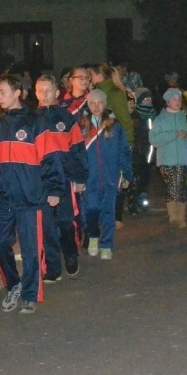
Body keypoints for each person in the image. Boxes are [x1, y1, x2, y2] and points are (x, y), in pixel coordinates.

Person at [0, 74, 64, 315]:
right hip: (1, 197)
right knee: (0, 243)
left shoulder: (35, 121)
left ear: (17, 92)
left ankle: (30, 294)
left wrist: (54, 188)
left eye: (3, 92)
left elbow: (50, 157)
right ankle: (14, 285)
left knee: (31, 249)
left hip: (30, 196)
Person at [34, 75, 88, 282]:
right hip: (42, 181)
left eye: (48, 90)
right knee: (47, 226)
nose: (44, 95)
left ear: (57, 93)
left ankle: (71, 254)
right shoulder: (31, 119)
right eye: (40, 90)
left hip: (65, 179)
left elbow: (77, 149)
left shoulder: (66, 118)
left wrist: (80, 177)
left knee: (66, 222)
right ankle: (53, 268)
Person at [80, 89, 133, 260]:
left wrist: (126, 174)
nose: (96, 106)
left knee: (109, 212)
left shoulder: (114, 126)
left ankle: (107, 244)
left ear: (105, 104)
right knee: (91, 210)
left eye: (100, 103)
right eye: (92, 103)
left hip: (111, 176)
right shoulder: (81, 126)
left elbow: (124, 151)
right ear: (88, 105)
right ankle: (93, 236)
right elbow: (76, 154)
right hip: (90, 178)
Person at [149, 88, 187, 228]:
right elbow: (154, 139)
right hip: (166, 160)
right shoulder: (160, 119)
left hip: (184, 160)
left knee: (180, 186)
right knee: (173, 186)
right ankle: (175, 217)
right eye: (174, 99)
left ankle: (180, 217)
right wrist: (173, 134)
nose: (177, 102)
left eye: (179, 99)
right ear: (167, 101)